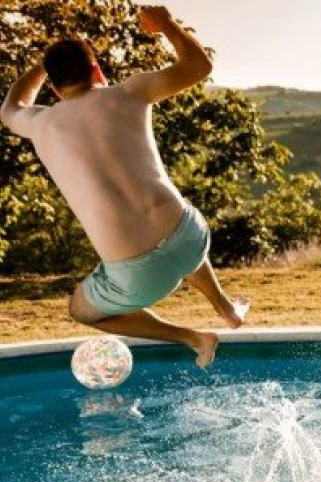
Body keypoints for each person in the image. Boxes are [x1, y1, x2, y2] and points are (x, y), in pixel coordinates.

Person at [0, 5, 248, 367]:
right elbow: (199, 67)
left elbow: (11, 107)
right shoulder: (131, 92)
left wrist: (41, 65)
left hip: (138, 276)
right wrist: (166, 26)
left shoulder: (40, 123)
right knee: (175, 226)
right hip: (192, 237)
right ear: (96, 69)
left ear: (53, 86)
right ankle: (225, 308)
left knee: (81, 309)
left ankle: (193, 338)